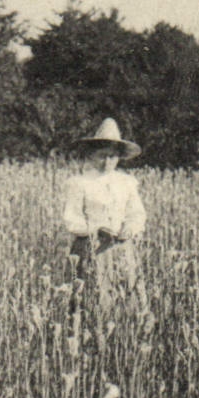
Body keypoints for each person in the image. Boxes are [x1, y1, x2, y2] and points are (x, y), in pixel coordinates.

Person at [61, 117, 147, 313]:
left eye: (113, 156)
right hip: (91, 248)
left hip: (121, 249)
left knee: (124, 297)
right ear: (92, 154)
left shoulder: (126, 182)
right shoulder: (78, 183)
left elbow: (137, 214)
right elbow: (72, 219)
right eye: (103, 155)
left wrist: (129, 229)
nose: (108, 161)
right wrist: (96, 230)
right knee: (92, 299)